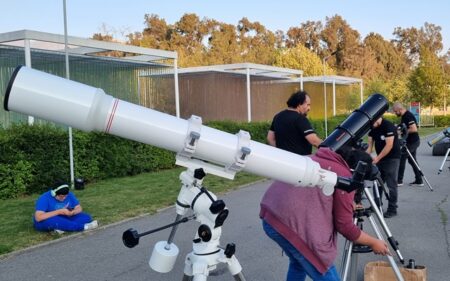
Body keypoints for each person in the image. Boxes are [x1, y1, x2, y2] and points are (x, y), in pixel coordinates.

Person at [260, 146, 390, 281]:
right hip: (290, 224)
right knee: (320, 264)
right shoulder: (345, 177)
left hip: (270, 216)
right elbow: (344, 226)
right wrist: (374, 242)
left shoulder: (317, 158)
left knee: (298, 263)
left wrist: (345, 202)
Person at [267, 91, 323, 155]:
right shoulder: (300, 119)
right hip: (300, 161)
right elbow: (314, 141)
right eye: (308, 105)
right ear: (299, 104)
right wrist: (328, 148)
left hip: (283, 160)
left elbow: (270, 138)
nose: (309, 108)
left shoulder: (277, 116)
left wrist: (282, 152)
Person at [366, 117, 401, 218]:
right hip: (380, 158)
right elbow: (369, 146)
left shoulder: (388, 126)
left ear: (377, 118)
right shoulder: (373, 127)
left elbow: (389, 145)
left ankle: (392, 209)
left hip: (392, 157)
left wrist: (377, 158)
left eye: (372, 123)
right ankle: (377, 206)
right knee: (377, 182)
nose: (371, 126)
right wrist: (364, 157)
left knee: (391, 184)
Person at [33, 181, 98, 233]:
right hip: (48, 219)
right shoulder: (44, 198)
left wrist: (72, 212)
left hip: (64, 217)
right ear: (54, 193)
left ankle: (61, 227)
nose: (64, 198)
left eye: (65, 196)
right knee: (52, 221)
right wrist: (59, 212)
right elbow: (38, 217)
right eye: (61, 196)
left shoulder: (69, 194)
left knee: (87, 217)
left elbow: (79, 208)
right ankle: (84, 227)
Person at [392, 102, 423, 186]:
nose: (395, 113)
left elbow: (414, 129)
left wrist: (402, 131)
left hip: (413, 142)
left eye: (395, 111)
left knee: (402, 158)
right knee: (412, 160)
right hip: (410, 141)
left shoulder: (408, 116)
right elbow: (405, 127)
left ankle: (399, 181)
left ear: (400, 109)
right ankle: (419, 180)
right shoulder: (404, 116)